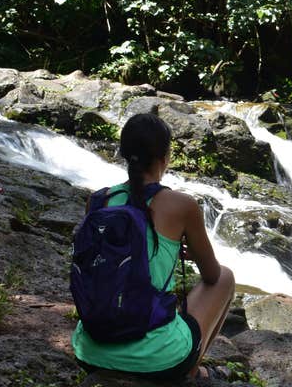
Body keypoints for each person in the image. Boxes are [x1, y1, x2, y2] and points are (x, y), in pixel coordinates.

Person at [71, 113, 235, 380]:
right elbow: (212, 276)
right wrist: (193, 254)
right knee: (225, 277)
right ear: (164, 157)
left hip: (89, 351)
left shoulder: (98, 201)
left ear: (124, 154)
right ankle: (189, 373)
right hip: (158, 359)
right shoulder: (182, 205)